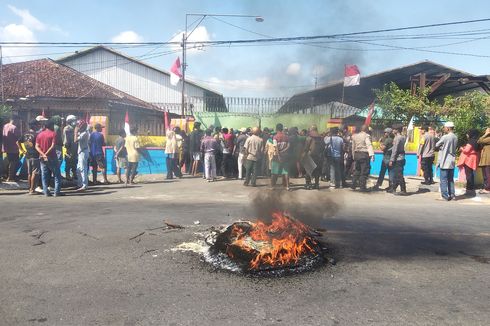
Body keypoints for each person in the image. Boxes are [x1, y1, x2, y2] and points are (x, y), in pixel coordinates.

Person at [35, 119, 62, 196]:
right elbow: (53, 146)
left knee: (44, 175)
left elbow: (37, 146)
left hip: (42, 158)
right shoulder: (53, 134)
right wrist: (46, 154)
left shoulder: (39, 134)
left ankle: (46, 192)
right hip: (52, 157)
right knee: (57, 175)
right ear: (50, 126)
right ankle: (57, 192)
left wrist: (43, 154)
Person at [435, 121, 458, 201]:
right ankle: (452, 195)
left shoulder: (445, 137)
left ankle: (444, 196)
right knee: (450, 179)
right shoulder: (455, 137)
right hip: (451, 161)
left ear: (448, 128)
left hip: (445, 160)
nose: (444, 129)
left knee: (443, 179)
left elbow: (437, 144)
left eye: (445, 127)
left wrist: (442, 146)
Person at [457, 129, 480, 197]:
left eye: (468, 133)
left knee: (468, 174)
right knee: (471, 174)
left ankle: (469, 189)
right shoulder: (476, 141)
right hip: (473, 158)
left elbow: (466, 150)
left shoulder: (471, 141)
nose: (467, 135)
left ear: (471, 134)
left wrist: (461, 149)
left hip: (469, 159)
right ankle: (471, 187)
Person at [351, 125, 374, 191]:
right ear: (366, 129)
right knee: (364, 171)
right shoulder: (366, 136)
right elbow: (368, 145)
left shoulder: (355, 136)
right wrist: (372, 154)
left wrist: (353, 156)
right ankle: (362, 187)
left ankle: (353, 184)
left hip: (357, 154)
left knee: (357, 170)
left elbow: (353, 147)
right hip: (364, 155)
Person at [20, 120, 40, 194]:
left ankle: (30, 188)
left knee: (29, 173)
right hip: (35, 155)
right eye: (37, 125)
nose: (38, 126)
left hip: (27, 155)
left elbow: (17, 142)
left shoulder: (25, 134)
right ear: (34, 126)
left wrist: (22, 150)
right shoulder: (36, 134)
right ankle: (32, 189)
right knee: (34, 173)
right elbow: (38, 145)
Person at [2, 115, 21, 182]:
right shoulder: (14, 128)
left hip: (6, 148)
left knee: (8, 162)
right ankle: (10, 177)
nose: (18, 122)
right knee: (13, 163)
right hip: (14, 149)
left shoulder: (5, 126)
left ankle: (7, 176)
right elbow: (19, 138)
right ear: (15, 120)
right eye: (18, 120)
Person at [389, 126, 408, 195]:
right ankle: (393, 188)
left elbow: (395, 149)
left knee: (399, 175)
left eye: (394, 129)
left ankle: (403, 190)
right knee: (397, 174)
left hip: (398, 158)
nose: (393, 130)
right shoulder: (403, 137)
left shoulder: (398, 138)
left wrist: (391, 160)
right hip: (401, 157)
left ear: (397, 130)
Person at [271, 123, 290, 190]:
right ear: (282, 129)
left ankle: (273, 186)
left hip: (276, 157)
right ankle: (287, 186)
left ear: (276, 129)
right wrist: (283, 151)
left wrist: (279, 155)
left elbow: (276, 148)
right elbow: (288, 146)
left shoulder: (275, 137)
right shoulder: (286, 137)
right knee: (286, 172)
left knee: (274, 172)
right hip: (285, 156)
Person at [74, 120, 90, 191]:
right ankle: (80, 184)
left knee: (83, 169)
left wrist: (75, 132)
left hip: (83, 152)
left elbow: (75, 140)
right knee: (79, 169)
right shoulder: (83, 133)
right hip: (81, 152)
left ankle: (84, 185)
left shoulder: (84, 133)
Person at [63, 115, 78, 180]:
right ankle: (67, 175)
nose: (75, 122)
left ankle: (74, 174)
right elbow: (66, 140)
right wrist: (67, 146)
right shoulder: (67, 128)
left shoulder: (74, 128)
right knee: (68, 162)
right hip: (69, 148)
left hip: (75, 147)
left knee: (74, 162)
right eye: (73, 120)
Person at [477, 127, 490, 194]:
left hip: (488, 160)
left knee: (488, 174)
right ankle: (486, 187)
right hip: (485, 159)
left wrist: (486, 134)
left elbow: (480, 141)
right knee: (485, 175)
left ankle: (488, 188)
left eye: (487, 130)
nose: (486, 131)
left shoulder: (488, 138)